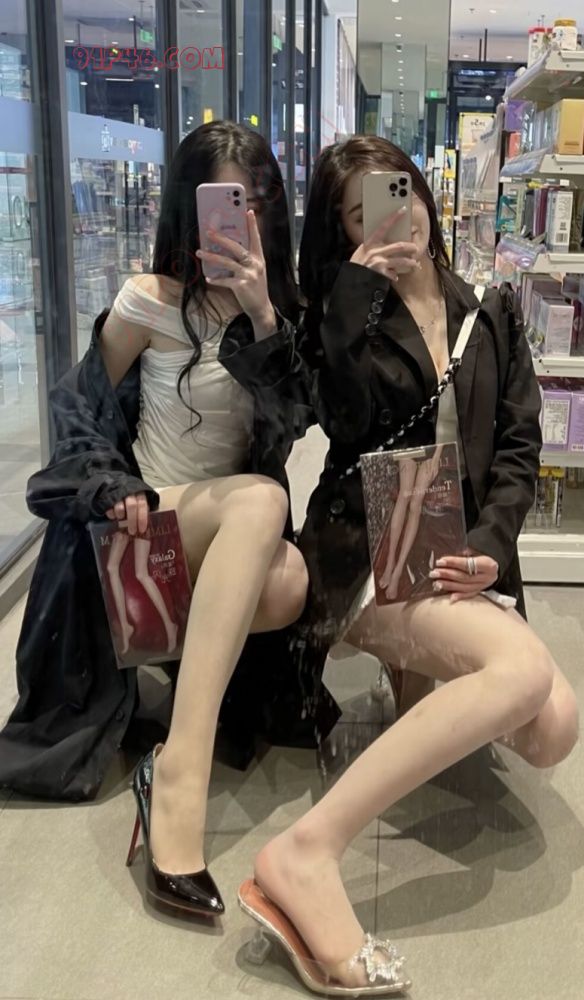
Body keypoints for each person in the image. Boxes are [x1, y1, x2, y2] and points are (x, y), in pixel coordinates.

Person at [229, 136, 579, 994]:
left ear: (420, 190)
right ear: (343, 233)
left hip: (455, 550)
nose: (393, 218)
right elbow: (343, 424)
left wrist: (490, 548)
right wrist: (353, 298)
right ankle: (307, 852)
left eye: (397, 193)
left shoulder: (489, 307)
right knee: (522, 672)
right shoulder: (343, 311)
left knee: (554, 729)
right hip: (366, 543)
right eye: (360, 214)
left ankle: (421, 677)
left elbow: (519, 447)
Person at [0, 123, 340, 911]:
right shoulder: (148, 300)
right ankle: (182, 768)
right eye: (226, 200)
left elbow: (295, 419)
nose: (243, 219)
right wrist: (111, 483)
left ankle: (171, 693)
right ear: (191, 208)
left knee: (289, 581)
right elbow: (78, 408)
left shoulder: (280, 312)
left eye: (256, 201)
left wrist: (261, 314)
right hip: (143, 530)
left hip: (227, 546)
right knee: (264, 499)